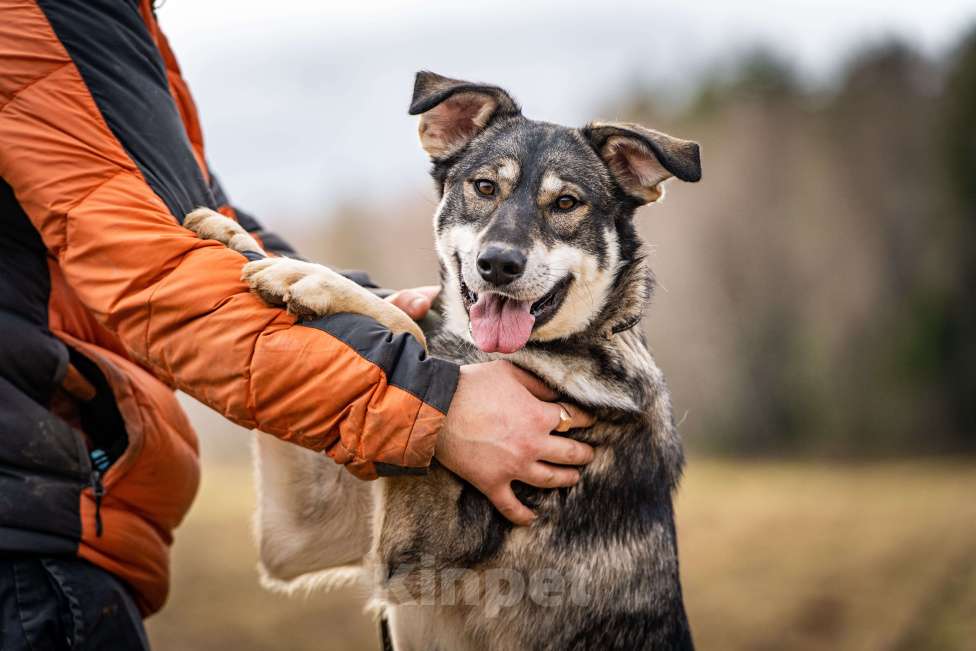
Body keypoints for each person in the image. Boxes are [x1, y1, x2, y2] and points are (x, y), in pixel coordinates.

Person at [0, 1, 595, 648]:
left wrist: (372, 313)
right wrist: (436, 398)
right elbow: (164, 272)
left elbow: (198, 226)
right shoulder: (52, 14)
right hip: (30, 548)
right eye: (483, 190)